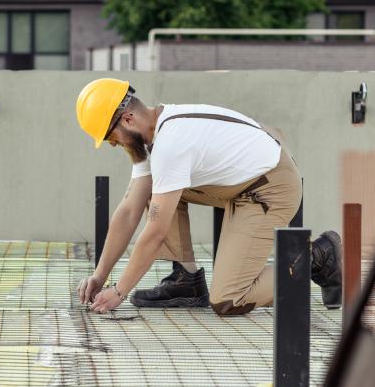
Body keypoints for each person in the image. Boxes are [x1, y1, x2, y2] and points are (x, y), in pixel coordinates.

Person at [73, 78, 343, 315]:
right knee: (156, 188)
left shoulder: (170, 144)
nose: (113, 144)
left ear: (128, 119)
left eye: (110, 137)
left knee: (229, 298)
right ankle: (187, 281)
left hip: (270, 188)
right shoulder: (152, 137)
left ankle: (319, 255)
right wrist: (100, 275)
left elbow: (155, 231)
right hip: (243, 183)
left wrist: (119, 292)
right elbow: (129, 210)